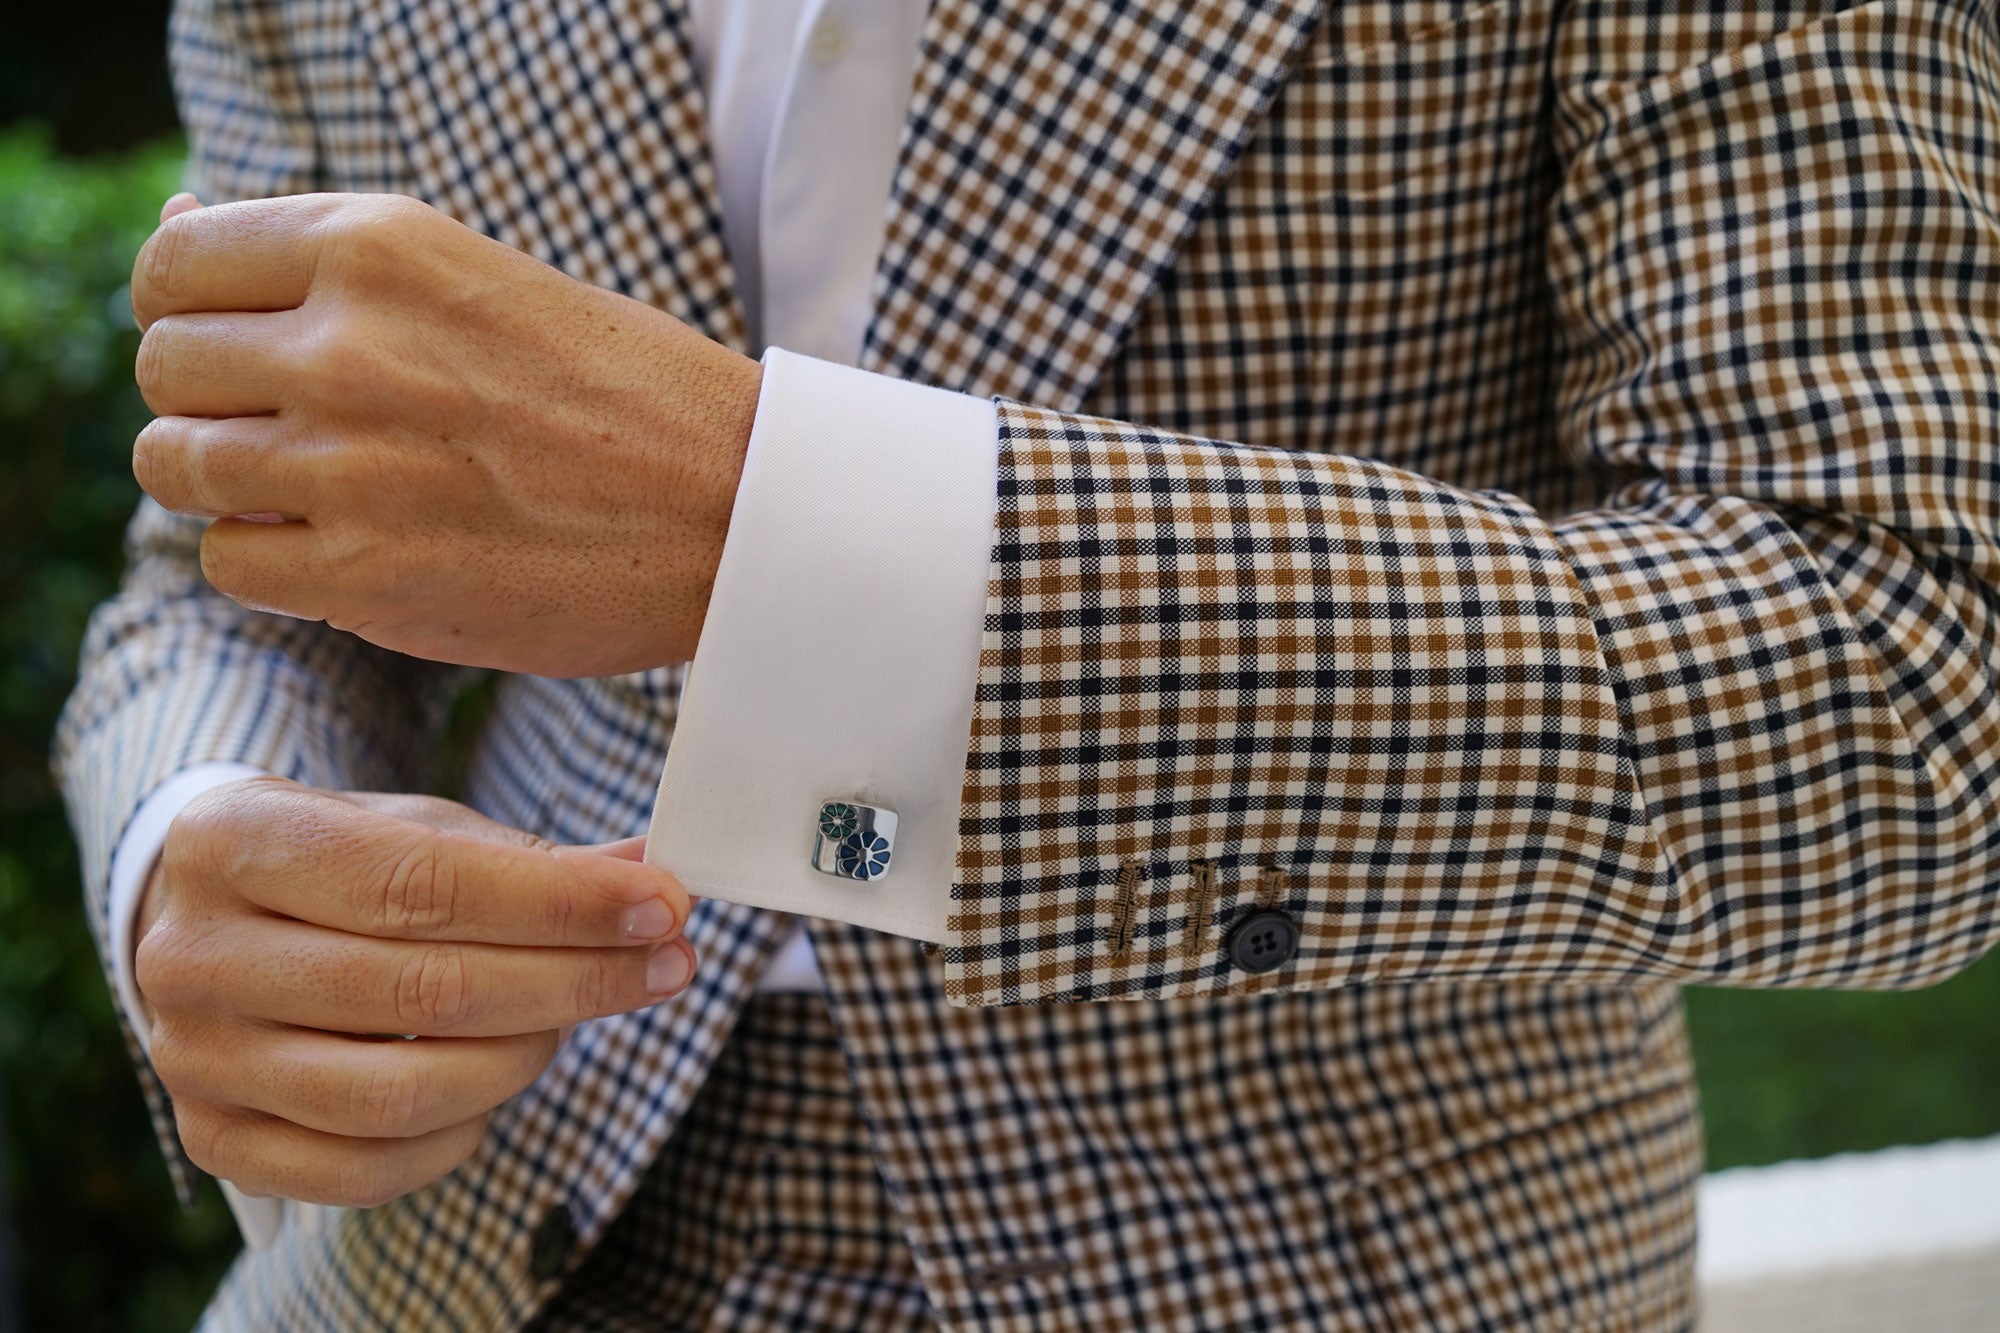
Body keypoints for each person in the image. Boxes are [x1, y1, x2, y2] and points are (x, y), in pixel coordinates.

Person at [55, 0, 2000, 1326]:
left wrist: (785, 538)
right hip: (475, 1239)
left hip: (1319, 1257)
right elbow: (228, 553)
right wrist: (193, 844)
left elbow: (1896, 684)